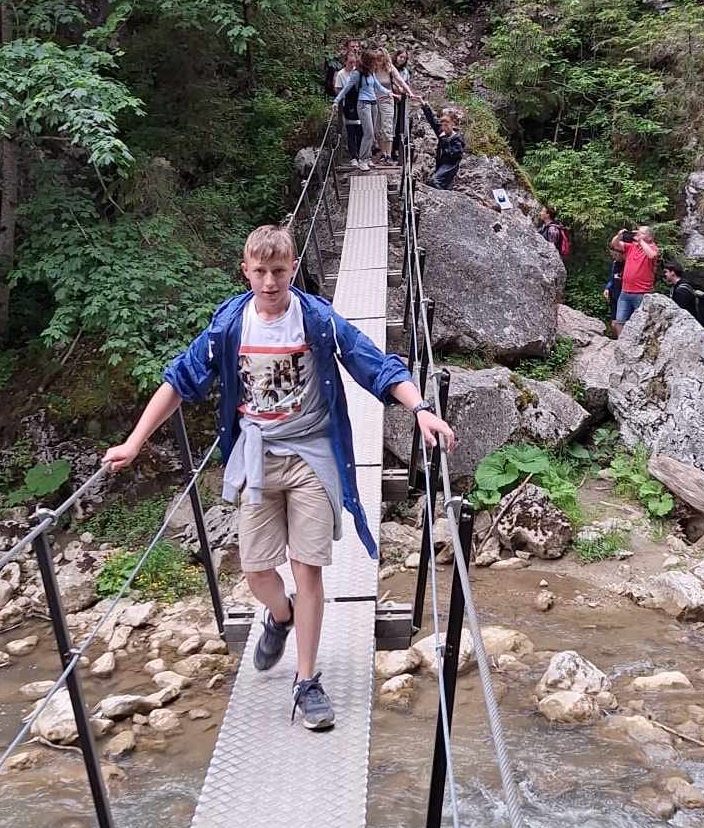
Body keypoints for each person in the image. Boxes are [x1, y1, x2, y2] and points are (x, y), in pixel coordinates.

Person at [102, 223, 455, 732]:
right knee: (255, 570)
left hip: (312, 454)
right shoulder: (230, 326)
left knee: (307, 568)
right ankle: (281, 615)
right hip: (257, 456)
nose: (270, 282)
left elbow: (373, 363)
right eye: (261, 271)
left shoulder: (316, 320)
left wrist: (420, 408)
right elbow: (179, 380)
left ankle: (307, 681)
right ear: (245, 271)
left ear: (293, 270)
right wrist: (135, 442)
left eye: (279, 271)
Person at [332, 48, 393, 171]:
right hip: (363, 104)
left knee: (372, 133)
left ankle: (368, 157)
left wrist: (388, 92)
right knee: (368, 132)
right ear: (368, 61)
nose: (375, 63)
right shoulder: (357, 73)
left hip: (373, 103)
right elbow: (346, 88)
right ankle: (362, 160)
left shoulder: (371, 72)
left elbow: (377, 86)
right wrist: (336, 101)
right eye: (373, 60)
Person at [610, 224, 659, 333]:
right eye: (638, 232)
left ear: (650, 237)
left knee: (642, 323)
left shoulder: (652, 247)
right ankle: (621, 341)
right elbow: (614, 244)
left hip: (642, 293)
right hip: (625, 291)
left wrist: (640, 241)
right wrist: (619, 235)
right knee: (619, 321)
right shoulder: (632, 246)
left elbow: (652, 255)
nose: (638, 234)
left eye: (641, 233)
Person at [420, 100, 465, 189]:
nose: (444, 128)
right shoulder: (442, 132)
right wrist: (425, 105)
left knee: (434, 181)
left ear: (452, 125)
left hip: (450, 166)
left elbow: (456, 155)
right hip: (440, 163)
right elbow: (432, 121)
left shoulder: (457, 139)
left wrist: (446, 142)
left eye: (446, 125)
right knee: (436, 183)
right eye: (443, 125)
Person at [333, 42, 362, 166]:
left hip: (360, 103)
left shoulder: (358, 72)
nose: (352, 64)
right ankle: (353, 156)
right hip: (348, 104)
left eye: (354, 62)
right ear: (345, 62)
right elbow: (338, 89)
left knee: (361, 130)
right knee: (351, 131)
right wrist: (339, 100)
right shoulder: (341, 74)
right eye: (350, 62)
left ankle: (361, 155)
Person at [662, 260, 704, 326]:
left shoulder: (681, 290)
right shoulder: (682, 285)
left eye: (666, 272)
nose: (664, 275)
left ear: (673, 272)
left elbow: (679, 310)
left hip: (690, 323)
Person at [389, 47, 414, 162]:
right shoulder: (390, 68)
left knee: (400, 124)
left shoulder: (405, 72)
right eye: (401, 57)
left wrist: (405, 91)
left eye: (404, 58)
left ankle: (397, 149)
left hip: (402, 100)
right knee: (391, 123)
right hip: (391, 98)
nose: (402, 59)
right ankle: (389, 151)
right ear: (396, 56)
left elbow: (407, 84)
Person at [605, 239, 626, 322]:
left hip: (624, 297)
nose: (614, 257)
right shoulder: (615, 264)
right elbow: (612, 279)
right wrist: (607, 288)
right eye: (612, 255)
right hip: (614, 296)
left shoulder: (628, 264)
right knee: (614, 321)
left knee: (621, 321)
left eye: (615, 255)